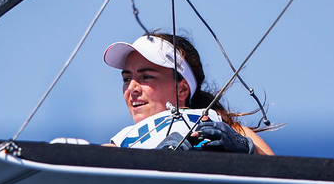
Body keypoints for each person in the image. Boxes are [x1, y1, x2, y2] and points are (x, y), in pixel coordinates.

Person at [104, 32, 273, 155]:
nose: (132, 88)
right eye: (126, 78)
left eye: (147, 77)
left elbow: (279, 173)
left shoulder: (229, 130)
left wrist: (245, 148)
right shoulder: (122, 141)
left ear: (182, 89)